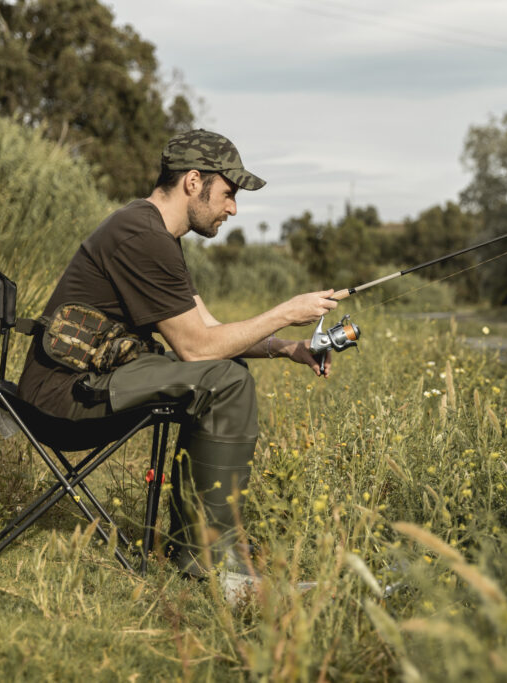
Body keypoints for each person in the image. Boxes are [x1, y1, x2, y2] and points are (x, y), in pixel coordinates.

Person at [18, 129, 337, 597]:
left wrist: (287, 347)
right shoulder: (141, 235)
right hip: (63, 397)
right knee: (223, 380)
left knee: (228, 374)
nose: (233, 209)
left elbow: (209, 331)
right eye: (228, 194)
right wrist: (287, 312)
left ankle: (199, 556)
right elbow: (198, 350)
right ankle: (216, 568)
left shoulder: (154, 234)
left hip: (83, 382)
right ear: (193, 181)